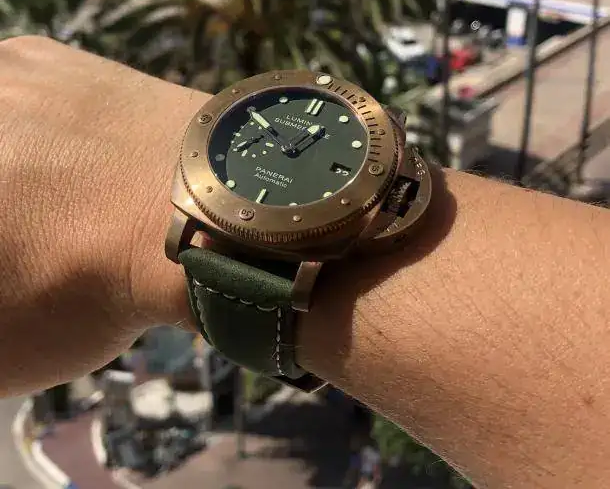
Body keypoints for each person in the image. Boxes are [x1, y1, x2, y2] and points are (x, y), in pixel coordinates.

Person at [2, 35, 610, 489]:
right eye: (280, 135)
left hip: (290, 242)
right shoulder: (191, 211)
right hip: (215, 215)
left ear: (400, 196)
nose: (289, 145)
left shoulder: (329, 244)